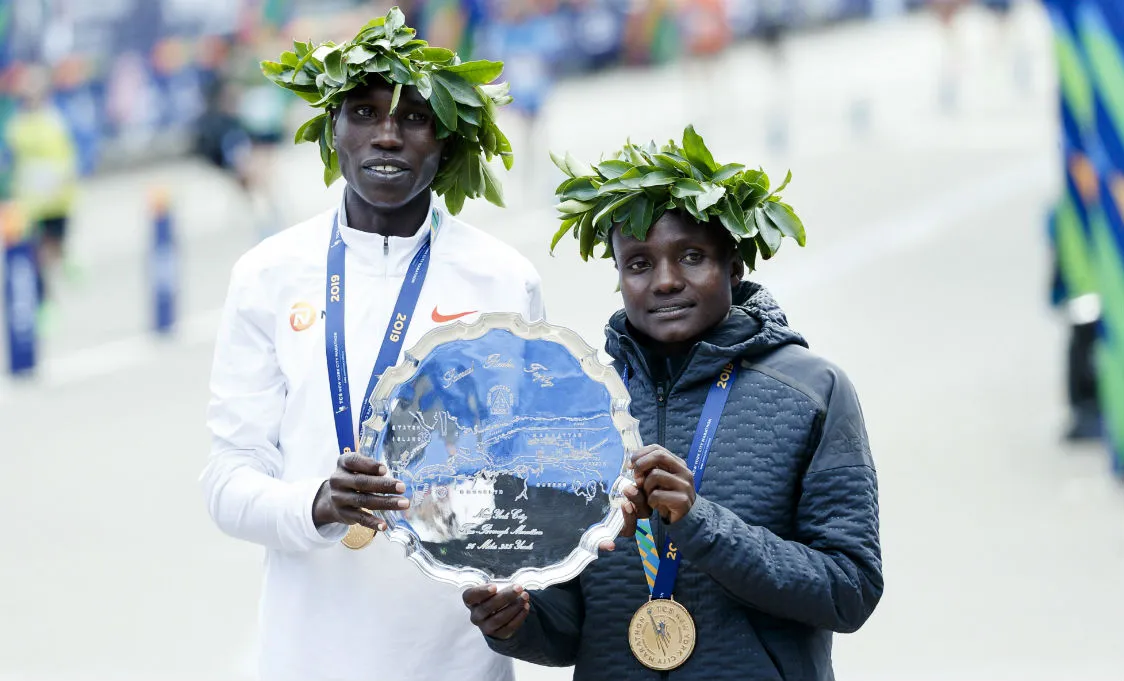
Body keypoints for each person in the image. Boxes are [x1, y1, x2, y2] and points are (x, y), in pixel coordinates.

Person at [463, 127, 883, 679]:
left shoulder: (813, 391)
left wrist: (700, 523)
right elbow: (569, 629)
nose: (664, 281)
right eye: (638, 263)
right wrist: (517, 621)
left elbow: (849, 590)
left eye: (691, 256)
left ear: (734, 266)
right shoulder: (577, 405)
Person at [201, 8, 540, 681]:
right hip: (306, 660)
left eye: (414, 118)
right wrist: (318, 503)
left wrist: (516, 556)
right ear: (333, 132)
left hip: (459, 662)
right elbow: (227, 482)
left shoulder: (502, 279)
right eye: (363, 112)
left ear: (446, 142)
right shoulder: (269, 275)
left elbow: (534, 476)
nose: (387, 134)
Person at [3, 64, 79, 326]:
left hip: (58, 199)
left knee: (54, 249)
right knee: (37, 256)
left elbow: (70, 153)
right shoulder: (16, 123)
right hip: (30, 204)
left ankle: (67, 261)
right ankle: (46, 304)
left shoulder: (57, 118)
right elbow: (11, 160)